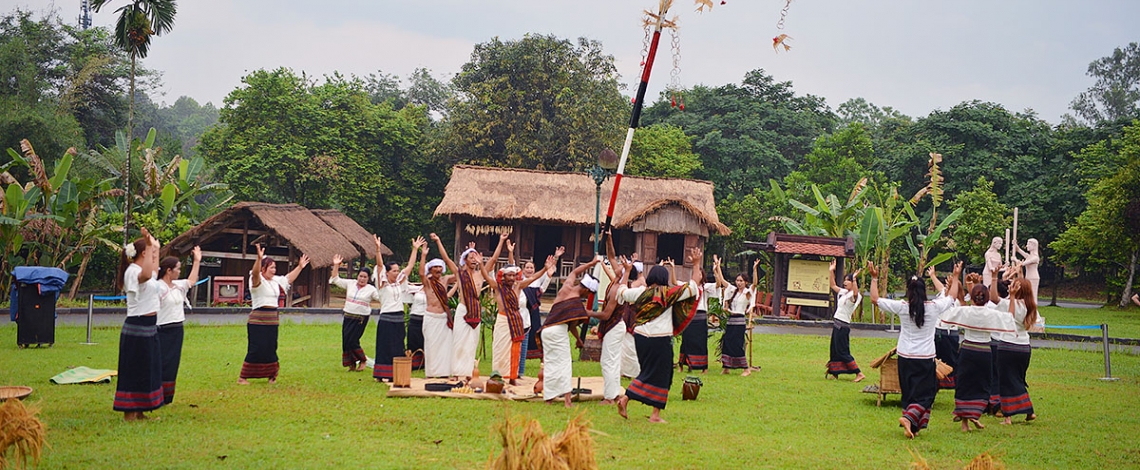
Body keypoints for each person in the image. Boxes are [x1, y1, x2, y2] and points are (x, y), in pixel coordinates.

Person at [869, 261, 956, 439]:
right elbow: (952, 297)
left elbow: (874, 299)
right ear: (925, 291)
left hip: (904, 356)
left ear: (908, 290)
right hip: (924, 358)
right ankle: (909, 418)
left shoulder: (902, 307)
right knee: (927, 394)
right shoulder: (933, 307)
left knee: (909, 392)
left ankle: (912, 426)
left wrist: (874, 278)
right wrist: (955, 276)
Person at [615, 248, 702, 423]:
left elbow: (621, 293)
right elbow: (693, 287)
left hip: (640, 337)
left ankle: (627, 399)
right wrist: (696, 263)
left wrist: (626, 272)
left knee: (646, 371)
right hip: (660, 339)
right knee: (664, 375)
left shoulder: (640, 293)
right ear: (664, 279)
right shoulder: (669, 293)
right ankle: (653, 414)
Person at [939, 262, 1017, 432]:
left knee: (965, 383)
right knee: (982, 384)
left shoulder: (965, 311)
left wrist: (955, 278)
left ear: (972, 297)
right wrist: (1011, 297)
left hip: (967, 350)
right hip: (984, 352)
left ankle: (966, 421)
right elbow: (1010, 318)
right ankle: (973, 415)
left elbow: (946, 311)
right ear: (987, 299)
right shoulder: (991, 312)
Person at [431, 232, 502, 381]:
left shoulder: (481, 274)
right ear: (465, 260)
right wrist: (438, 241)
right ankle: (457, 373)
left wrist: (501, 240)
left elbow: (494, 259)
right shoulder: (459, 274)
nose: (475, 260)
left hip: (475, 310)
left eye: (476, 258)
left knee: (471, 343)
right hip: (463, 310)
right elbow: (446, 259)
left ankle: (468, 372)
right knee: (459, 341)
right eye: (471, 258)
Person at [239, 244, 309, 385]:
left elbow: (289, 278)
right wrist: (259, 259)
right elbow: (256, 273)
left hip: (272, 319)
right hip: (258, 319)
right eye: (271, 267)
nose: (274, 270)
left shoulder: (276, 281)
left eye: (274, 267)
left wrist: (300, 267)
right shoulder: (257, 281)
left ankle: (271, 375)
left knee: (271, 347)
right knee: (256, 347)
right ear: (264, 269)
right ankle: (243, 377)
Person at [483, 251, 555, 385]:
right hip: (503, 321)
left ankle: (512, 377)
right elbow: (486, 276)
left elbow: (533, 278)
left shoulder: (518, 287)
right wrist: (481, 265)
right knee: (500, 349)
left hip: (516, 321)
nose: (511, 278)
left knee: (515, 349)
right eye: (508, 275)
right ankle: (498, 375)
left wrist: (545, 268)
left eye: (513, 275)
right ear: (503, 277)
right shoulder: (498, 288)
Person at [113, 228, 164, 421]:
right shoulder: (133, 272)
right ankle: (129, 413)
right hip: (137, 326)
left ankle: (141, 410)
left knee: (146, 369)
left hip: (149, 326)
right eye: (149, 253)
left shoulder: (145, 271)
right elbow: (147, 275)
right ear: (143, 254)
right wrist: (150, 245)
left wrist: (155, 249)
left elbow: (154, 272)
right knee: (134, 370)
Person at [539, 257, 600, 407]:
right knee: (564, 364)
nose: (588, 296)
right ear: (586, 289)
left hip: (546, 329)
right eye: (589, 293)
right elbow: (572, 326)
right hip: (558, 331)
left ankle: (549, 398)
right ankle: (567, 401)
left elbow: (574, 271)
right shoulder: (577, 304)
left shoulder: (565, 288)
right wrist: (579, 340)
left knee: (550, 362)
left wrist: (591, 263)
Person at [988, 264, 1039, 424]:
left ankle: (1008, 416)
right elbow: (995, 298)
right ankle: (1028, 411)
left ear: (1018, 291)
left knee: (1006, 380)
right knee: (1018, 379)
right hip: (1024, 347)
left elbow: (1007, 316)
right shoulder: (1031, 307)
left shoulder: (1013, 303)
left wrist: (1008, 294)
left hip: (1008, 346)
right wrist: (996, 278)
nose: (1010, 286)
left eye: (1013, 285)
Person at [373, 236, 424, 382]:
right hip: (386, 320)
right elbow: (380, 265)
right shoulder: (382, 285)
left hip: (399, 320)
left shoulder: (399, 284)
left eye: (397, 270)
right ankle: (381, 374)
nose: (397, 273)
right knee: (384, 347)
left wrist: (415, 249)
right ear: (387, 273)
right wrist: (377, 249)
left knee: (397, 347)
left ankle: (393, 373)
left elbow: (409, 266)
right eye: (394, 271)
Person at [156, 245, 202, 404]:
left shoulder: (178, 285)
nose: (179, 271)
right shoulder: (158, 287)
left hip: (177, 329)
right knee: (160, 363)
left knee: (172, 364)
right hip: (162, 330)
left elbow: (192, 281)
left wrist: (197, 261)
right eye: (177, 269)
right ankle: (156, 394)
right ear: (169, 270)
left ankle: (167, 397)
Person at [329, 251, 382, 372]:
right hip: (348, 315)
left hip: (360, 318)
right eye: (360, 276)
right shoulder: (350, 284)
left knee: (353, 340)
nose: (362, 279)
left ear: (368, 279)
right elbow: (336, 279)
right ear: (357, 276)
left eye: (365, 277)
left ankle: (362, 360)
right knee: (346, 340)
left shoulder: (371, 289)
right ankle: (351, 363)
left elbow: (381, 298)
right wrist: (336, 265)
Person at [418, 243, 454, 378]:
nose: (438, 269)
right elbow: (421, 273)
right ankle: (431, 373)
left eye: (440, 267)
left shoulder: (445, 280)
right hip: (431, 317)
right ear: (431, 269)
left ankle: (444, 373)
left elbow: (459, 274)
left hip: (443, 318)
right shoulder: (428, 282)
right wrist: (423, 255)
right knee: (431, 346)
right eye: (435, 267)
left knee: (445, 346)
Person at [522, 246, 563, 365]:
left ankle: (541, 358)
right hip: (523, 311)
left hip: (533, 311)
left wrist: (556, 257)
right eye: (527, 267)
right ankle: (521, 357)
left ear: (534, 269)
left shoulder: (537, 279)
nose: (529, 270)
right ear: (523, 269)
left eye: (531, 268)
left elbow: (549, 272)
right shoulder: (520, 280)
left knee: (536, 333)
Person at [826, 259, 865, 382]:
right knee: (834, 350)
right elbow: (833, 285)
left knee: (843, 350)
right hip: (837, 323)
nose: (845, 282)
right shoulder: (844, 293)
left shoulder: (856, 295)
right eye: (845, 280)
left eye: (848, 280)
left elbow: (855, 294)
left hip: (843, 326)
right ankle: (835, 372)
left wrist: (854, 279)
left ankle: (859, 373)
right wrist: (831, 271)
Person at [679, 251, 718, 374]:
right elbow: (675, 282)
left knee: (701, 342)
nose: (698, 275)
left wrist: (716, 269)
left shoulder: (705, 287)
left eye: (700, 274)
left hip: (701, 317)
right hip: (690, 316)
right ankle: (683, 364)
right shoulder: (689, 287)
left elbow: (719, 284)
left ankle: (703, 367)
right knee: (686, 340)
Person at [714, 259, 754, 375]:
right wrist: (718, 266)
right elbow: (722, 281)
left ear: (745, 282)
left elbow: (755, 283)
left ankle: (746, 368)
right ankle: (726, 367)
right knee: (727, 342)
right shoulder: (733, 291)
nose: (739, 283)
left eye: (741, 281)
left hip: (740, 321)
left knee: (737, 344)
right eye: (737, 280)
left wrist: (755, 269)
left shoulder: (747, 293)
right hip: (731, 321)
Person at [930, 267, 962, 389]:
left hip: (950, 333)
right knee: (937, 357)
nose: (946, 286)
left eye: (951, 284)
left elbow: (950, 296)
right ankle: (938, 380)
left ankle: (949, 382)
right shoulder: (943, 294)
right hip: (938, 330)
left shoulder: (957, 301)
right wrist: (932, 275)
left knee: (950, 358)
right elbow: (940, 287)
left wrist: (954, 279)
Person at [1014, 238, 1041, 304]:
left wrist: (1015, 259)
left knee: (1032, 294)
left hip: (1033, 278)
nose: (1027, 246)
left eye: (1028, 244)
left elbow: (1022, 264)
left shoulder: (1035, 258)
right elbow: (1019, 250)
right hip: (1028, 277)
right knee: (1027, 294)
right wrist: (1015, 245)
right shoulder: (1029, 256)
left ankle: (1034, 310)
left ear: (1034, 246)